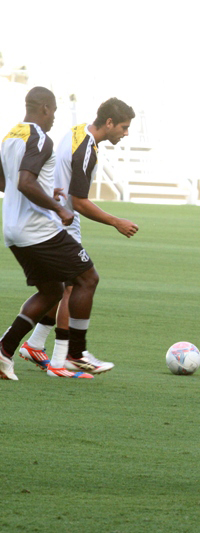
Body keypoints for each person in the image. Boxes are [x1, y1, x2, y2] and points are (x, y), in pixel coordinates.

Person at [18, 97, 139, 378]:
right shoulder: (86, 149)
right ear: (109, 122)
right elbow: (80, 202)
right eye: (123, 127)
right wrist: (116, 222)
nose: (126, 133)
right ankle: (67, 358)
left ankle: (34, 345)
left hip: (54, 218)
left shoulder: (77, 132)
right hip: (63, 222)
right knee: (77, 286)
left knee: (59, 288)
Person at [0, 87, 102, 381]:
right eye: (54, 110)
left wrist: (46, 191)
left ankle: (4, 351)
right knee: (87, 278)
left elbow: (7, 181)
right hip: (38, 229)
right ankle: (75, 354)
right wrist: (58, 208)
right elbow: (24, 183)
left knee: (52, 291)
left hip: (13, 231)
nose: (55, 117)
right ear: (45, 108)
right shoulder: (40, 139)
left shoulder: (11, 137)